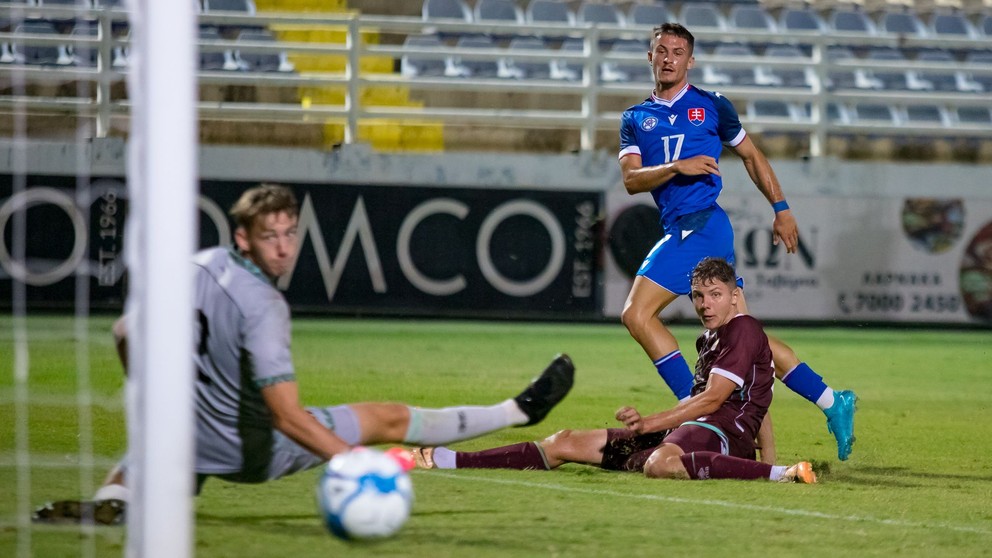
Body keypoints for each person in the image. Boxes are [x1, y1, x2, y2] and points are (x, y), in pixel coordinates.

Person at [33, 184, 575, 525]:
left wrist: (154, 401)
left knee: (166, 436)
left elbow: (126, 332)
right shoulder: (264, 304)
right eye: (270, 237)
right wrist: (353, 465)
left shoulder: (194, 265)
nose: (285, 248)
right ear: (243, 239)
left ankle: (115, 496)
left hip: (181, 436)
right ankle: (518, 412)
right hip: (250, 451)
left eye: (291, 234)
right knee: (386, 417)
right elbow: (286, 418)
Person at [616, 22, 857, 460]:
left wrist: (781, 209)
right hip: (684, 227)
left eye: (678, 51)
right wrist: (677, 167)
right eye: (661, 50)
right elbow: (631, 181)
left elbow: (751, 154)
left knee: (636, 314)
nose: (668, 58)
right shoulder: (635, 119)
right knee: (745, 340)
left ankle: (698, 407)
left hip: (702, 225)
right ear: (649, 57)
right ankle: (830, 401)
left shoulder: (711, 106)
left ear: (691, 61)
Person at [410, 258, 816, 484]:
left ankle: (780, 476)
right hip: (693, 433)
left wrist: (650, 422)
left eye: (715, 295)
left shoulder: (744, 328)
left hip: (719, 434)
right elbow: (761, 394)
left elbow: (713, 400)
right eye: (697, 296)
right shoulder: (710, 338)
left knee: (660, 464)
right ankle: (449, 460)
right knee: (565, 441)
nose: (705, 304)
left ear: (735, 296)